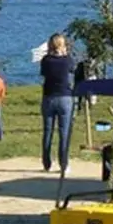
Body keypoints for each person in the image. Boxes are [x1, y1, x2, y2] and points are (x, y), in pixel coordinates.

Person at [40, 33, 76, 175]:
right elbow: (72, 70)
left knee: (48, 131)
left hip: (49, 97)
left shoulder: (45, 60)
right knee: (64, 132)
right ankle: (64, 164)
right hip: (65, 97)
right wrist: (65, 54)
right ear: (63, 45)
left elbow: (44, 74)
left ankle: (47, 162)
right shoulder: (68, 60)